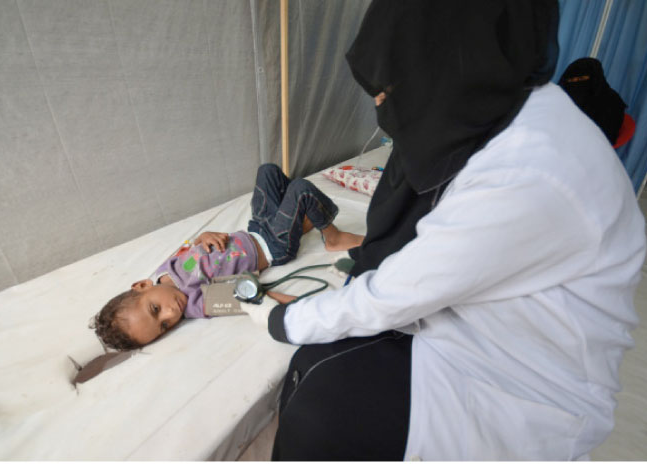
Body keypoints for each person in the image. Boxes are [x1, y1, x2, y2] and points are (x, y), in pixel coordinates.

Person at [245, 0, 646, 460]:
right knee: (321, 368)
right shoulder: (510, 116)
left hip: (523, 387)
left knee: (324, 398)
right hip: (483, 329)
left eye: (391, 88)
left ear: (447, 59)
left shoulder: (533, 169)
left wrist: (284, 319)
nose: (381, 106)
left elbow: (400, 290)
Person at [92, 163, 363, 350]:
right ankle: (332, 235)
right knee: (301, 189)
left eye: (155, 309)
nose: (172, 313)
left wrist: (203, 236)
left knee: (267, 171)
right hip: (273, 246)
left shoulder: (165, 270)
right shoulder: (196, 303)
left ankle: (298, 219)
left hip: (256, 228)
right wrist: (305, 305)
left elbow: (192, 248)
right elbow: (249, 298)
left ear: (142, 285)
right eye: (163, 326)